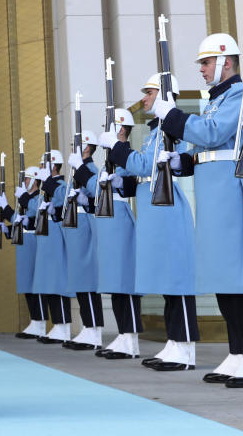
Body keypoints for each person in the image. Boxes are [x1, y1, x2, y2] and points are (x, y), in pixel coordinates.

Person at [155, 34, 243, 387]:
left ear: (226, 62)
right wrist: (182, 161)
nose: (202, 70)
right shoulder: (216, 100)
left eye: (206, 63)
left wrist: (173, 116)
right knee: (222, 276)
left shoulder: (238, 94)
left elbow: (211, 133)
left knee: (238, 275)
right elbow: (205, 146)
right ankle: (238, 352)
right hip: (211, 188)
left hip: (227, 188)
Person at [102, 73, 199, 371]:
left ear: (166, 95)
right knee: (166, 281)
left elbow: (148, 165)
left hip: (167, 210)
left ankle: (184, 347)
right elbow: (145, 175)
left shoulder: (169, 130)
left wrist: (118, 149)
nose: (144, 98)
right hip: (154, 208)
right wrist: (122, 181)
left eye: (150, 92)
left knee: (177, 279)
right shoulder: (156, 131)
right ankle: (174, 342)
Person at [88, 109, 142, 360]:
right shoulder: (109, 157)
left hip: (121, 217)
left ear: (121, 129)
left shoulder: (126, 155)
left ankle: (130, 338)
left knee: (125, 280)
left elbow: (134, 182)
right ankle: (123, 333)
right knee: (114, 280)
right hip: (108, 221)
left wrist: (120, 183)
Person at [63, 130, 104, 351]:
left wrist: (85, 200)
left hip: (86, 227)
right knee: (80, 278)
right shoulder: (78, 170)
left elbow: (96, 193)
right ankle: (88, 327)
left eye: (75, 144)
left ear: (86, 147)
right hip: (77, 227)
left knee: (87, 279)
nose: (72, 148)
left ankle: (94, 329)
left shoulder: (88, 169)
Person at [32, 151, 74, 345]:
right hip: (46, 235)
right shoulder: (46, 187)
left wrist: (52, 208)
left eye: (44, 165)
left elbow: (63, 202)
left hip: (56, 234)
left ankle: (64, 325)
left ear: (54, 166)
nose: (41, 168)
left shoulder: (60, 185)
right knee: (49, 281)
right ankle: (57, 323)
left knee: (57, 281)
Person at [14, 167, 47, 339]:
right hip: (24, 241)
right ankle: (35, 320)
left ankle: (40, 321)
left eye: (27, 179)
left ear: (35, 181)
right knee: (27, 282)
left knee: (36, 283)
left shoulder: (38, 196)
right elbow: (15, 218)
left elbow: (35, 211)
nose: (25, 182)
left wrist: (23, 199)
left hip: (34, 239)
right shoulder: (24, 199)